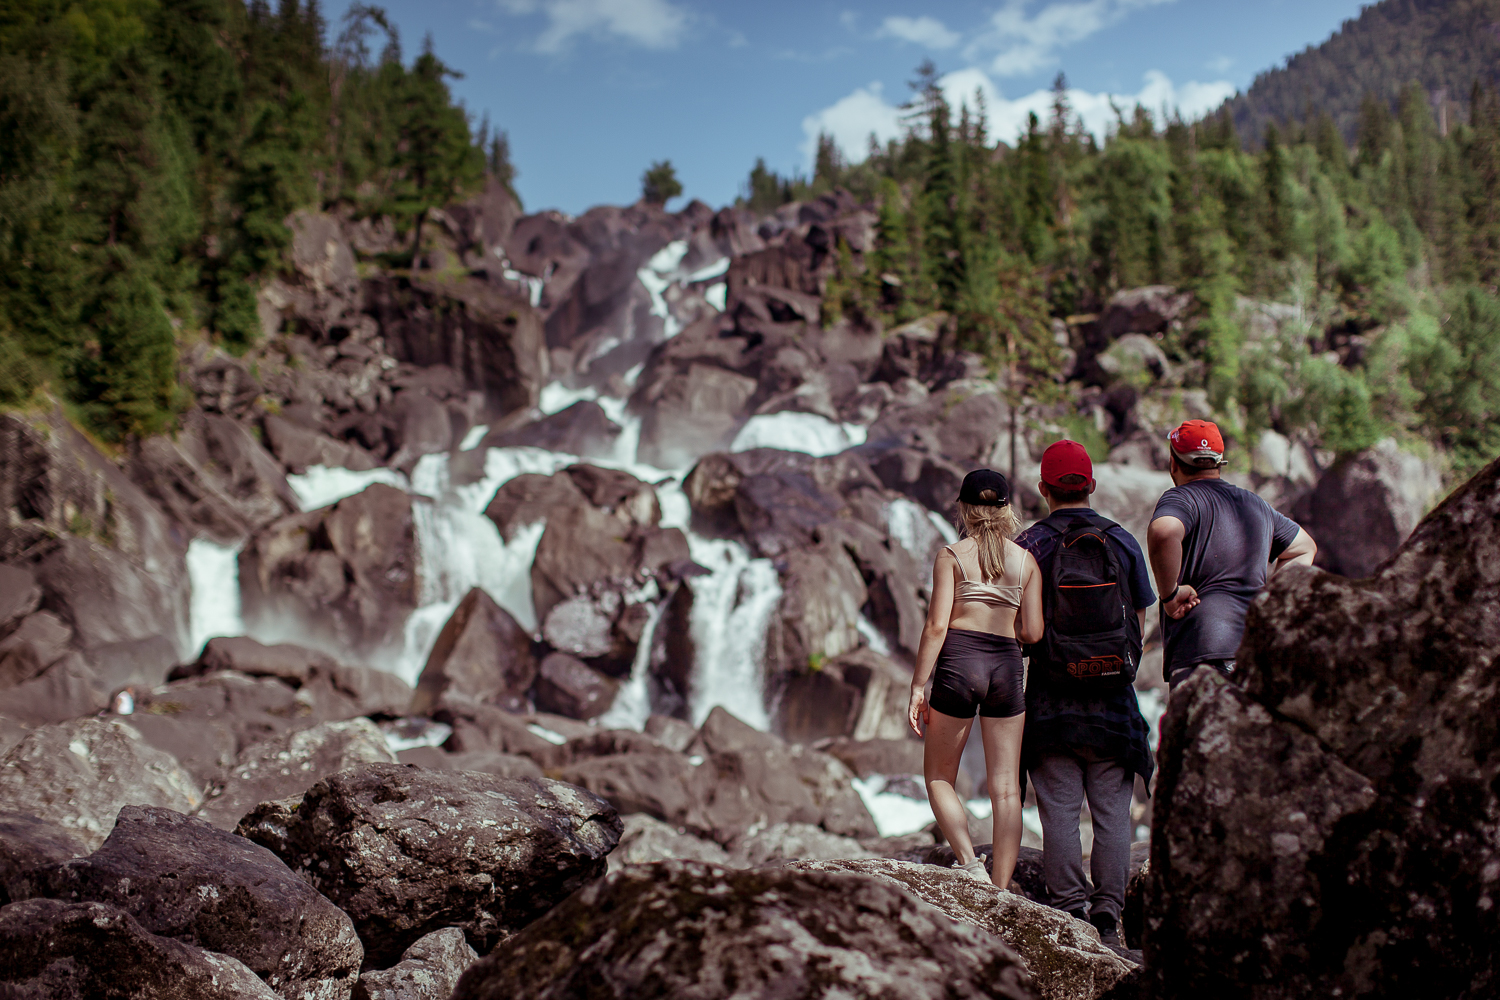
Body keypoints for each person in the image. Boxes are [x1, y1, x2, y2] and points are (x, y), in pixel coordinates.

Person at [1014, 440, 1156, 949]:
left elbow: (1019, 628)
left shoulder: (1029, 545)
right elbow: (1140, 621)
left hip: (1052, 701)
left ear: (1043, 489)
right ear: (1091, 485)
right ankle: (1108, 914)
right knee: (1113, 813)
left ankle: (1068, 909)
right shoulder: (1120, 541)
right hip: (1114, 700)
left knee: (1058, 809)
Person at [908, 469, 1044, 889]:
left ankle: (970, 865)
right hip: (1005, 666)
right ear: (1007, 511)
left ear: (963, 508)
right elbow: (1033, 633)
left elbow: (936, 626)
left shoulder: (951, 555)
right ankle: (1001, 890)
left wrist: (917, 686)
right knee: (1006, 790)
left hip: (959, 664)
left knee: (938, 778)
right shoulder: (1026, 562)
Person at [1146, 419, 1317, 689]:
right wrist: (1269, 601)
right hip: (1253, 650)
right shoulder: (1256, 504)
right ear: (1218, 462)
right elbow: (1303, 548)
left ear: (1173, 463)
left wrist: (1170, 594)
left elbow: (1164, 533)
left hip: (1202, 651)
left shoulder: (1181, 498)